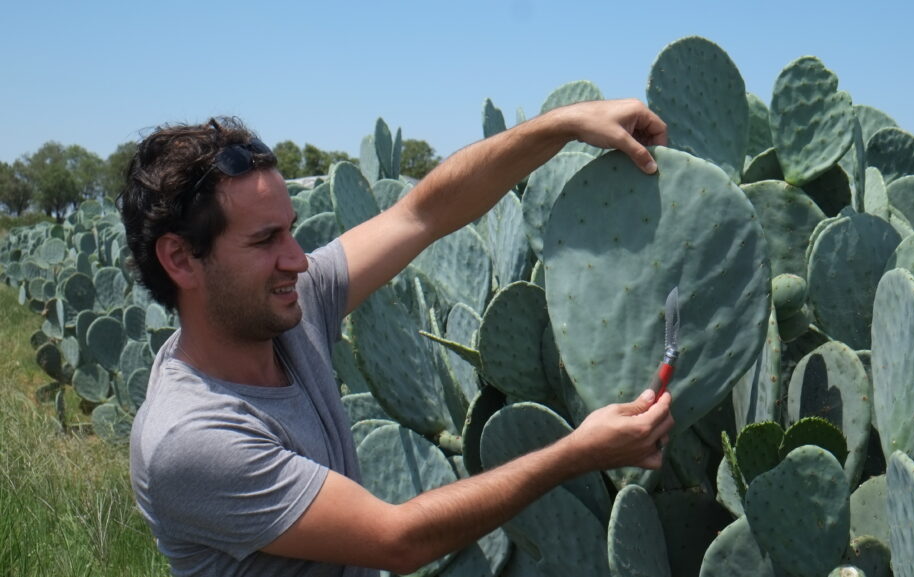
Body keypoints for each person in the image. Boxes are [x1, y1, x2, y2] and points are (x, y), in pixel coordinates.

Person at [119, 99, 675, 576]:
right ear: (180, 259)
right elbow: (397, 538)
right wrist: (578, 452)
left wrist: (562, 124)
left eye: (290, 229)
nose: (296, 259)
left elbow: (423, 214)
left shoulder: (288, 305)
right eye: (265, 240)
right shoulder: (189, 439)